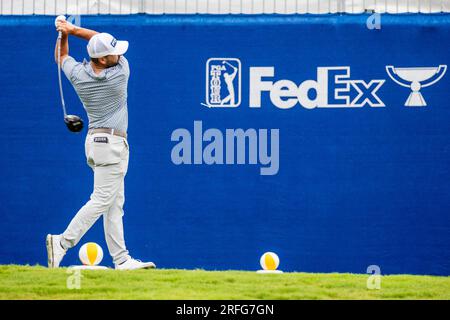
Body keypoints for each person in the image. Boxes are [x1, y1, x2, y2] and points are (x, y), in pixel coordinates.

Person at [46, 18, 155, 270]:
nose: (119, 54)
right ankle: (62, 242)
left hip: (95, 143)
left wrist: (63, 35)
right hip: (112, 145)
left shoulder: (77, 74)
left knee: (114, 204)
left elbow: (61, 57)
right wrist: (72, 30)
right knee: (102, 200)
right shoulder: (120, 73)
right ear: (104, 60)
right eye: (114, 52)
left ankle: (121, 259)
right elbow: (96, 37)